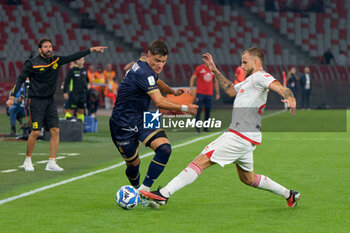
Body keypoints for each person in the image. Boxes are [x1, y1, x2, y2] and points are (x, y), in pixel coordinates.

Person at [140, 47, 301, 208]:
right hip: (246, 138)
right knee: (248, 179)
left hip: (239, 135)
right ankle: (289, 194)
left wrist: (290, 96)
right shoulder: (249, 81)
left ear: (256, 62)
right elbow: (231, 90)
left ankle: (164, 194)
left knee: (201, 160)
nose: (242, 66)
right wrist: (215, 70)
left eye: (245, 62)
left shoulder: (261, 76)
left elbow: (279, 86)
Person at [109, 40, 198, 206]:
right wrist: (185, 107)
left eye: (163, 61)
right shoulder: (143, 72)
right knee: (133, 164)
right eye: (157, 61)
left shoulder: (144, 62)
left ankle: (144, 189)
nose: (160, 65)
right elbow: (158, 101)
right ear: (149, 56)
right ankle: (136, 188)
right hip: (122, 122)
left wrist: (171, 91)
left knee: (165, 149)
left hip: (144, 116)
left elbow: (155, 80)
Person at [6, 37, 107, 172]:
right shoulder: (32, 63)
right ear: (40, 49)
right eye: (46, 47)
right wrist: (12, 96)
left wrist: (91, 50)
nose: (49, 49)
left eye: (50, 47)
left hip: (50, 101)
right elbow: (20, 80)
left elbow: (73, 56)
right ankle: (27, 160)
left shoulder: (56, 60)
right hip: (35, 101)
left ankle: (51, 162)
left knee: (55, 130)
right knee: (35, 132)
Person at [190, 63, 220, 133]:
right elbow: (193, 77)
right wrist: (191, 89)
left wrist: (217, 93)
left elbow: (215, 81)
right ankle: (197, 128)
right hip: (200, 93)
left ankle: (205, 128)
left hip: (209, 94)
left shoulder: (212, 70)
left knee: (208, 111)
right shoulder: (200, 68)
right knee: (198, 111)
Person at [63, 57, 89, 122]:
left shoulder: (84, 70)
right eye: (79, 59)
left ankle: (81, 126)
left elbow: (87, 81)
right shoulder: (72, 70)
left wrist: (88, 85)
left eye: (82, 60)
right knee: (71, 110)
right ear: (76, 61)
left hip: (82, 94)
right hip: (74, 93)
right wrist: (65, 92)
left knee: (81, 110)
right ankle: (66, 123)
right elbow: (66, 82)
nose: (81, 61)